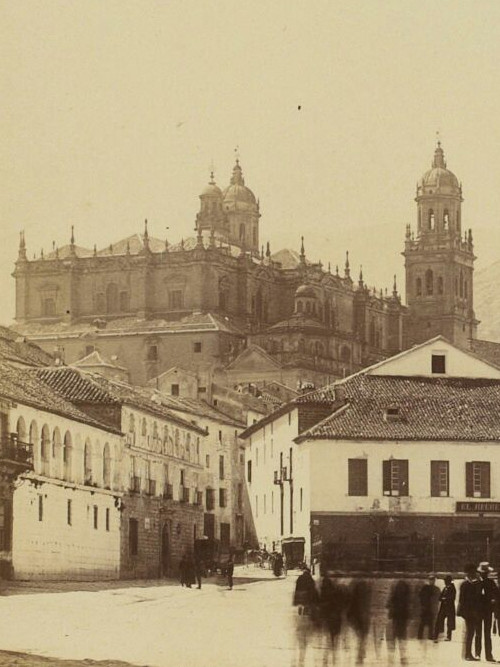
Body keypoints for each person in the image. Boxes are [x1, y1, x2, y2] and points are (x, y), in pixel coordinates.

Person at [292, 566, 319, 667]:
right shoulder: (311, 579)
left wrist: (295, 601)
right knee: (306, 608)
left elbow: (296, 589)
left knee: (301, 608)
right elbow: (313, 591)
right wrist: (316, 601)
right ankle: (305, 612)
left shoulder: (299, 578)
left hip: (300, 597)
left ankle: (301, 611)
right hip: (307, 598)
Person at [457, 563, 483, 661]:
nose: (475, 573)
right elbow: (463, 600)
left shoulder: (468, 583)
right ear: (470, 572)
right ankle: (467, 654)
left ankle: (467, 654)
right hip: (469, 612)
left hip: (469, 612)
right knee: (470, 633)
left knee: (470, 632)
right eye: (473, 572)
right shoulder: (466, 584)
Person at [476, 561, 498, 662]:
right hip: (478, 611)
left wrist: (493, 600)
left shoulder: (491, 583)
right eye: (483, 573)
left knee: (487, 633)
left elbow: (497, 595)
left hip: (488, 611)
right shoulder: (476, 583)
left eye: (485, 573)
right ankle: (478, 654)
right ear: (480, 573)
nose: (484, 574)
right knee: (478, 632)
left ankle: (488, 655)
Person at [387, 579, 410, 665]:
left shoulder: (394, 598)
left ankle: (392, 658)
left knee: (393, 639)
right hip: (402, 619)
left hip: (395, 619)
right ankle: (403, 658)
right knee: (402, 638)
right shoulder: (405, 599)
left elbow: (388, 605)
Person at [434, 575, 456, 642]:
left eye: (446, 581)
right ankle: (436, 635)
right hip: (444, 607)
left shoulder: (452, 588)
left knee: (449, 622)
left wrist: (445, 598)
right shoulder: (445, 588)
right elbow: (440, 597)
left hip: (449, 607)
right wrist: (444, 599)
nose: (445, 582)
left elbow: (452, 598)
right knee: (439, 620)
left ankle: (448, 636)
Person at [417, 574, 440, 640]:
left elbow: (437, 599)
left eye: (433, 580)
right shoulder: (426, 588)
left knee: (431, 623)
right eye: (431, 580)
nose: (432, 581)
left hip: (430, 608)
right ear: (429, 580)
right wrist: (422, 605)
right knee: (423, 623)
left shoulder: (434, 588)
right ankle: (420, 636)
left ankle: (429, 636)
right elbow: (421, 597)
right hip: (425, 608)